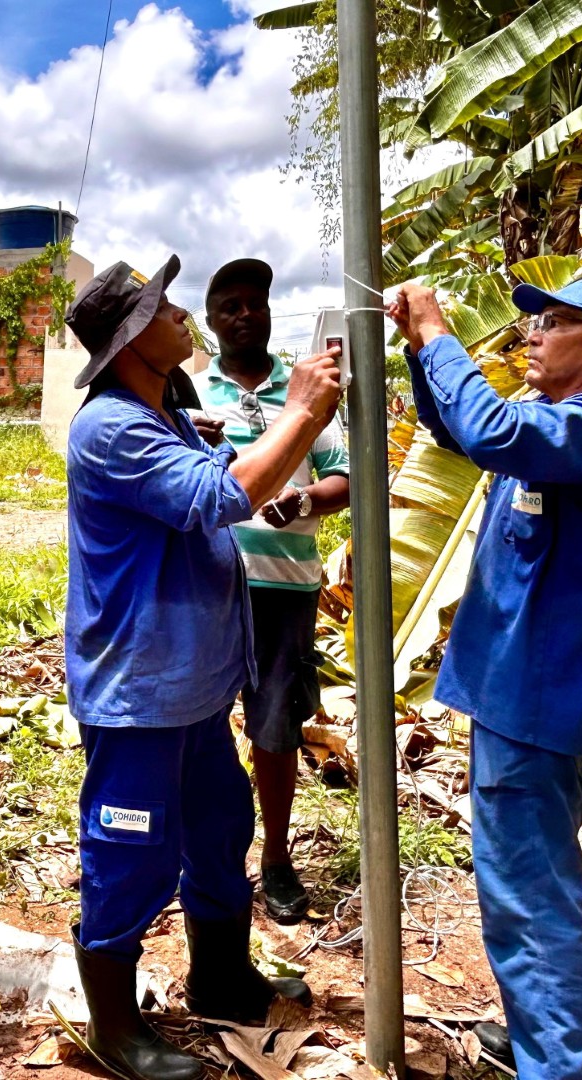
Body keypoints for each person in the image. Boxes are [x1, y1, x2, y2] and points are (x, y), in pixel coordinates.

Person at [65, 255, 342, 1080]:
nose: (180, 313)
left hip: (191, 687)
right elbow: (219, 499)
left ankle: (218, 975)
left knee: (222, 830)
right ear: (128, 343)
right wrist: (300, 410)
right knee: (131, 853)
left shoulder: (167, 417)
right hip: (138, 693)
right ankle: (113, 1029)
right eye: (162, 308)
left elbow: (219, 477)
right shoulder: (108, 425)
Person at [389, 278, 582, 1080]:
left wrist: (441, 331)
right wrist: (419, 349)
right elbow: (457, 429)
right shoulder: (560, 430)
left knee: (526, 900)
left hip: (533, 699)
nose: (532, 334)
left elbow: (491, 429)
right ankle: (569, 1039)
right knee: (542, 879)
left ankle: (563, 1066)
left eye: (555, 322)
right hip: (520, 695)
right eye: (532, 319)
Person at [195, 258, 349, 922]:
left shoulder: (308, 389)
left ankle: (278, 860)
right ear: (212, 320)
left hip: (286, 587)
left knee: (277, 727)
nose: (245, 314)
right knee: (200, 725)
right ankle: (207, 855)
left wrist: (307, 497)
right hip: (209, 586)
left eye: (255, 301)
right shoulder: (194, 393)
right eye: (230, 305)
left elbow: (346, 478)